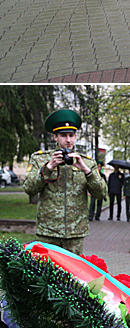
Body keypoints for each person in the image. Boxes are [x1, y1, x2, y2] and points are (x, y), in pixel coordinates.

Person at [23, 108, 107, 256]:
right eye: (63, 135)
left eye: (71, 135)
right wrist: (48, 168)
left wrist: (87, 171)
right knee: (46, 275)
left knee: (71, 277)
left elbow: (101, 193)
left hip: (75, 233)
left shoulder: (87, 162)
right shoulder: (40, 159)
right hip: (48, 231)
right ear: (55, 137)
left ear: (75, 137)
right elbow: (29, 188)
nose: (68, 140)